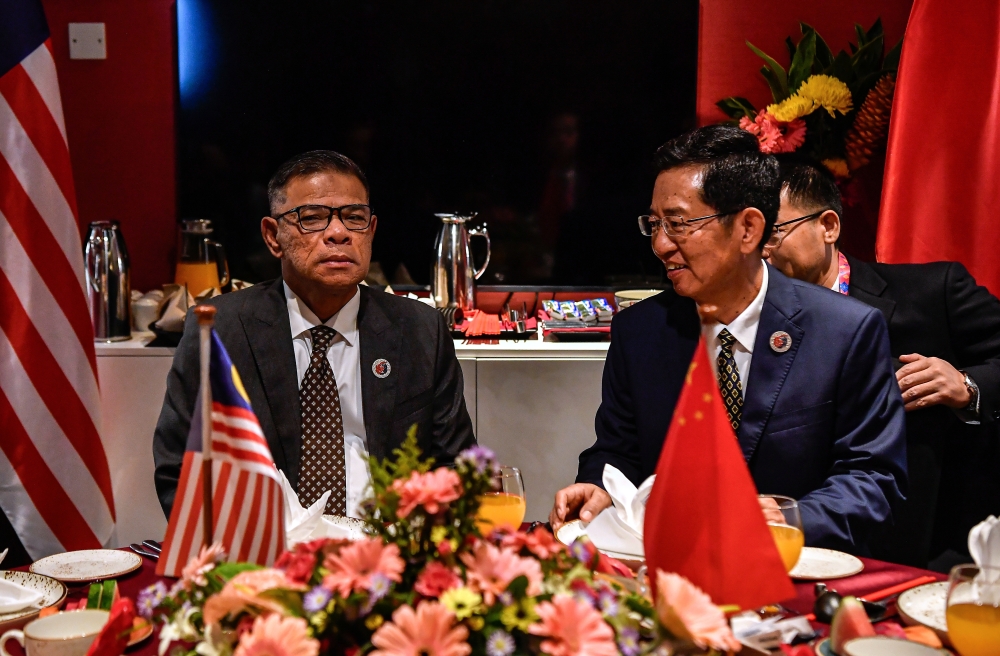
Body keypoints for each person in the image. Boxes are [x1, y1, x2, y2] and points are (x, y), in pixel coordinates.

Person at [549, 126, 907, 554]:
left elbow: (873, 478)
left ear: (748, 229)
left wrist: (790, 517)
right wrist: (597, 487)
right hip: (671, 569)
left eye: (679, 224)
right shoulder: (641, 332)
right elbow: (617, 451)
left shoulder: (844, 330)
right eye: (655, 224)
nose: (661, 245)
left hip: (793, 569)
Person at [154, 151, 476, 518]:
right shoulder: (220, 330)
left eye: (354, 218)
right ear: (273, 237)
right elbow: (180, 471)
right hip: (266, 550)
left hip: (388, 547)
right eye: (313, 218)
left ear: (371, 232)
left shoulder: (420, 330)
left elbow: (456, 468)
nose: (338, 233)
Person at [765, 156, 1000, 569]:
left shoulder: (933, 291)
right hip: (789, 542)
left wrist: (968, 385)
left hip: (918, 549)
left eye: (774, 232)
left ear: (828, 227)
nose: (761, 250)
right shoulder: (746, 317)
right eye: (749, 234)